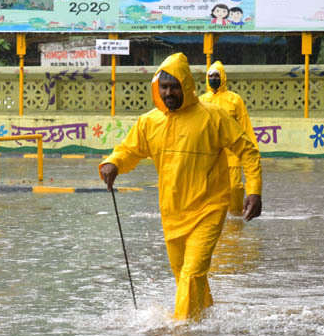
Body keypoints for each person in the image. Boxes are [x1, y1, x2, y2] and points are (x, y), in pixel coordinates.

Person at [99, 53, 262, 321]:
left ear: (186, 85)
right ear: (157, 88)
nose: (168, 92)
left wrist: (254, 190)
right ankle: (205, 320)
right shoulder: (149, 122)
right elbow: (129, 150)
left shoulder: (214, 117)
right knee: (184, 275)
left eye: (174, 86)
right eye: (163, 86)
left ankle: (181, 335)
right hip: (172, 213)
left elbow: (248, 150)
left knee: (192, 272)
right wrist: (113, 163)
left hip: (209, 209)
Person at [199, 61, 258, 216]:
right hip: (209, 155)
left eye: (216, 75)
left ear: (223, 77)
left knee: (234, 189)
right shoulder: (201, 101)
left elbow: (245, 126)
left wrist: (253, 150)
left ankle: (236, 220)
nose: (213, 78)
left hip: (232, 154)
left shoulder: (235, 100)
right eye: (210, 76)